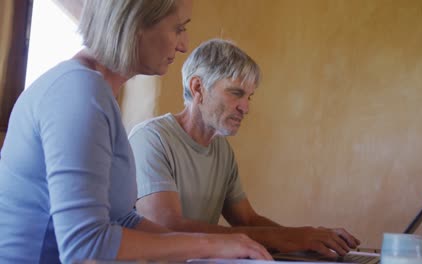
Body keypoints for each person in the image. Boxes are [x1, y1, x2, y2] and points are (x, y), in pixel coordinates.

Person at [0, 1, 272, 263]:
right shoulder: (79, 93)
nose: (183, 45)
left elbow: (122, 219)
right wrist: (212, 244)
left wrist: (210, 249)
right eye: (178, 28)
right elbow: (84, 245)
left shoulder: (98, 94)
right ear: (135, 23)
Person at [129, 38, 362, 259]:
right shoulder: (151, 138)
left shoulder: (222, 150)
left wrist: (308, 243)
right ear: (198, 87)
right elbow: (167, 227)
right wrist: (290, 238)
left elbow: (247, 221)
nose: (246, 108)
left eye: (249, 96)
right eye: (236, 93)